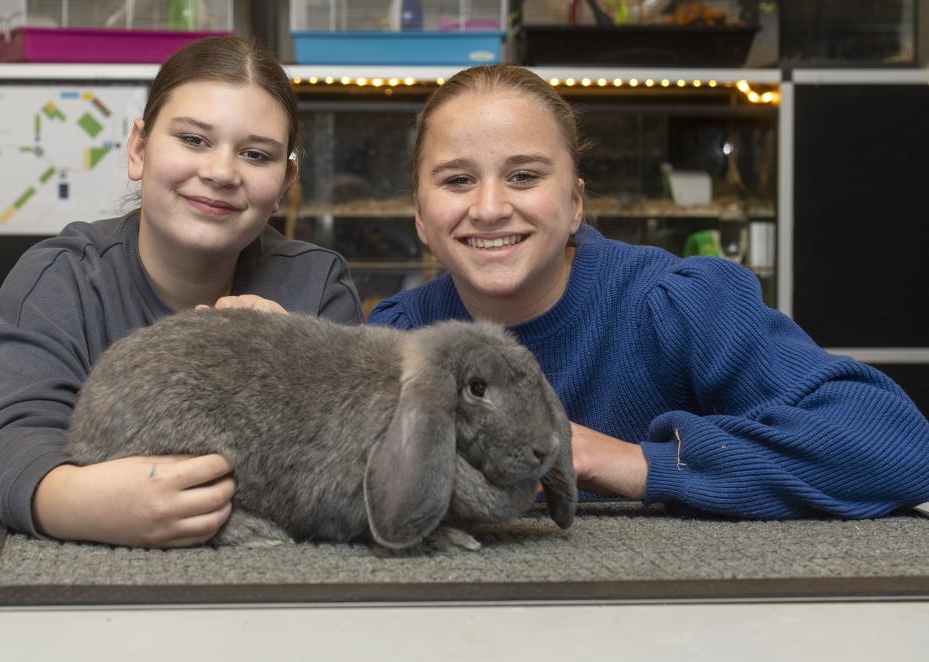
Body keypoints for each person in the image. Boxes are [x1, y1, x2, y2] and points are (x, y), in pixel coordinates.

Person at [369, 64, 929, 519]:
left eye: (525, 176)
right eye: (457, 180)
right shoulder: (395, 340)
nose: (489, 209)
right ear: (421, 217)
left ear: (576, 204)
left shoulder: (679, 304)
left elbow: (897, 447)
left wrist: (635, 463)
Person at [0, 37, 363, 548]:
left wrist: (294, 365)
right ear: (139, 149)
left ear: (286, 179)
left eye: (255, 154)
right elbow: (9, 441)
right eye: (194, 140)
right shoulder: (60, 280)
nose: (221, 173)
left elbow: (351, 465)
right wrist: (87, 505)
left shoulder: (314, 286)